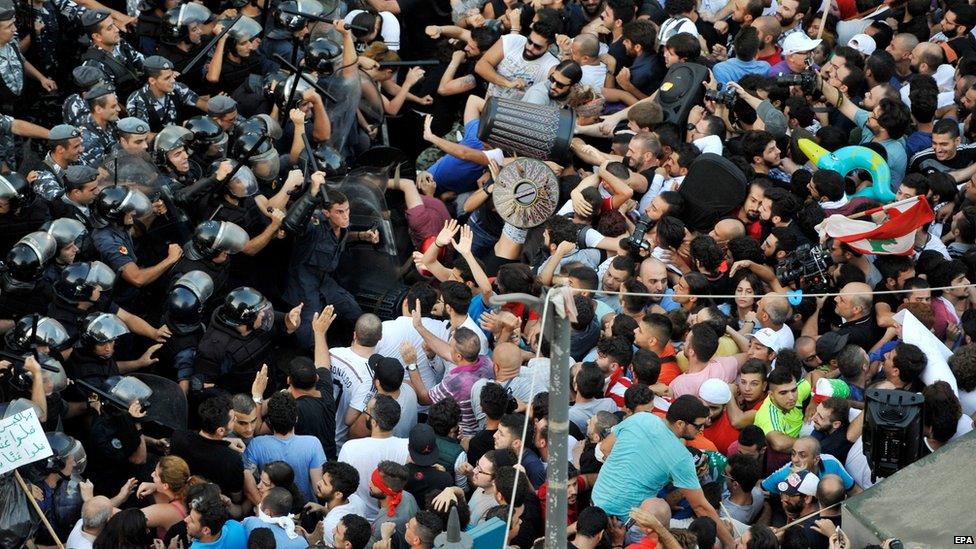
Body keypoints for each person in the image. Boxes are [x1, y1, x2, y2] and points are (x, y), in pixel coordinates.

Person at [590, 396, 734, 548]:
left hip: (595, 505)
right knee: (660, 508)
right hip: (623, 524)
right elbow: (701, 507)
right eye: (698, 426)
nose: (702, 430)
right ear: (680, 424)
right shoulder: (681, 458)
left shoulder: (640, 418)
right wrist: (730, 543)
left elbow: (605, 448)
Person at [242, 392, 326, 503]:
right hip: (304, 509)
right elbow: (318, 489)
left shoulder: (256, 444)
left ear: (270, 421)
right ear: (296, 419)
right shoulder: (313, 444)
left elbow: (248, 481)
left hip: (270, 509)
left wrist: (261, 505)